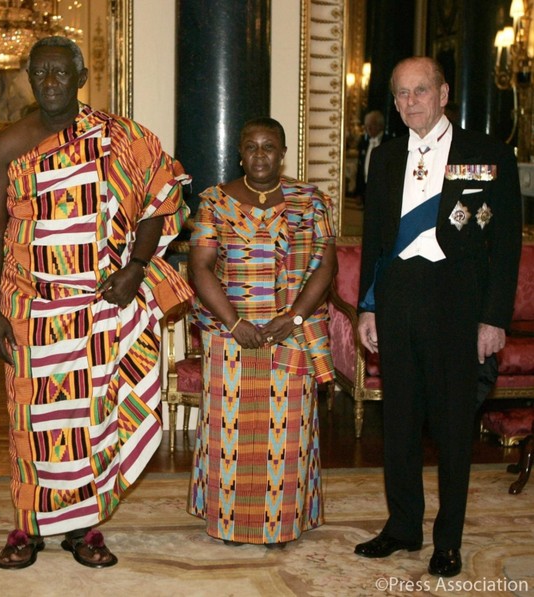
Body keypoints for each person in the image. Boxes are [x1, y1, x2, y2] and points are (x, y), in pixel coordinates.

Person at [0, 36, 192, 569]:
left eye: (59, 73)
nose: (50, 82)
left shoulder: (119, 137)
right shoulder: (8, 143)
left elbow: (162, 199)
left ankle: (84, 527)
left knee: (89, 419)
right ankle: (27, 526)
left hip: (97, 309)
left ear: (79, 77)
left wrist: (136, 267)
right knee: (31, 422)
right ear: (30, 79)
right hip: (30, 308)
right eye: (40, 74)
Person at [354, 57, 522, 578]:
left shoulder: (488, 154)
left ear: (444, 92)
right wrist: (368, 305)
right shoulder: (385, 159)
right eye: (401, 94)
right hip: (399, 301)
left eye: (419, 92)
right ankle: (403, 526)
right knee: (399, 422)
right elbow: (376, 241)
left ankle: (447, 539)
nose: (409, 103)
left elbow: (507, 243)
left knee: (453, 428)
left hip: (458, 307)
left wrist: (493, 319)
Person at [187, 117, 337, 547]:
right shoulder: (214, 202)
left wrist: (290, 319)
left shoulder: (311, 201)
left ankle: (281, 523)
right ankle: (230, 523)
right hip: (229, 331)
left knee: (286, 436)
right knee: (229, 437)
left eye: (268, 146)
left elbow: (325, 266)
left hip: (291, 332)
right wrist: (236, 324)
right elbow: (200, 267)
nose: (259, 155)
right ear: (239, 152)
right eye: (250, 146)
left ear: (283, 151)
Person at [354, 109, 390, 204]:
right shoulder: (364, 143)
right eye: (366, 125)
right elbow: (360, 169)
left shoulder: (388, 143)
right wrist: (358, 192)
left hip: (383, 190)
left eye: (372, 125)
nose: (368, 128)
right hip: (366, 189)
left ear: (380, 126)